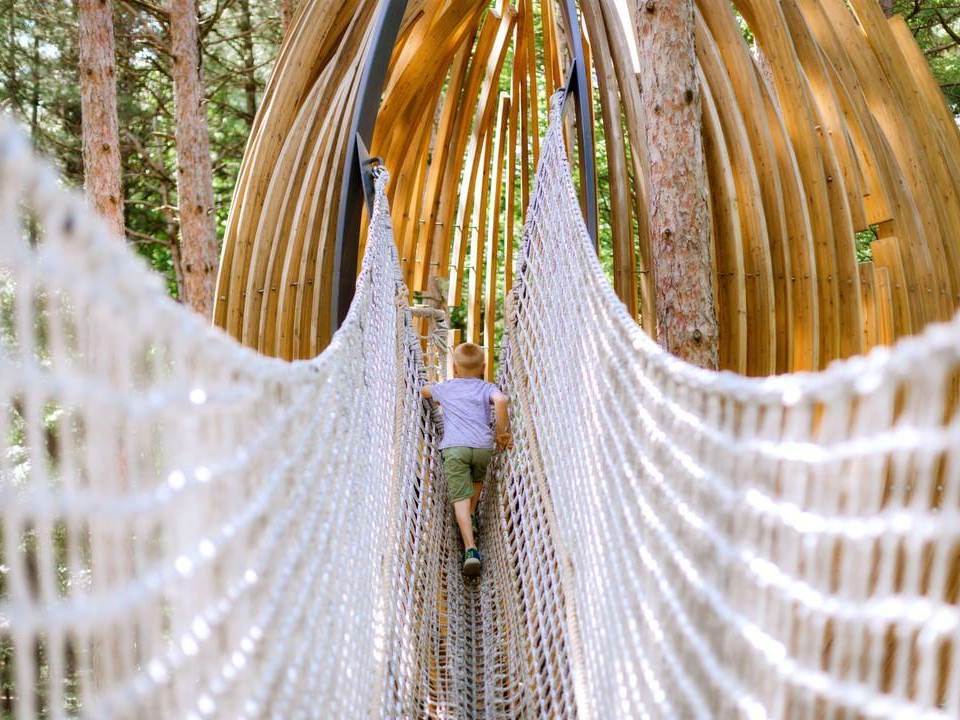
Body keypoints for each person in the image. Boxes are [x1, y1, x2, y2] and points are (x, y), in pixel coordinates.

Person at [421, 342, 512, 576]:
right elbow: (501, 401)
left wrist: (433, 387)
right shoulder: (486, 387)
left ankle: (470, 548)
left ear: (454, 367)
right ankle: (471, 515)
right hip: (483, 446)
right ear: (483, 367)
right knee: (477, 481)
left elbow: (424, 391)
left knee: (459, 496)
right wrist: (502, 432)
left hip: (455, 449)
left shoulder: (447, 388)